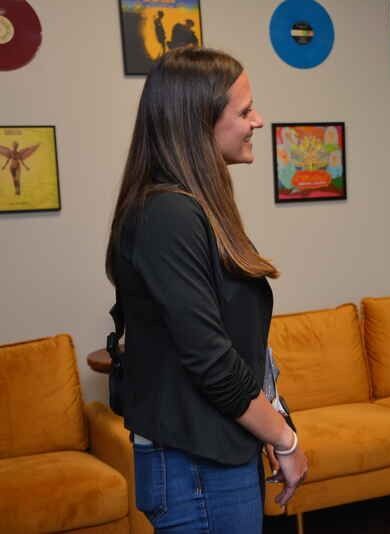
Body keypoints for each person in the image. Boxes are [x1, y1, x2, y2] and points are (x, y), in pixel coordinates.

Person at [105, 47, 307, 532]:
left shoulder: (194, 208)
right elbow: (211, 360)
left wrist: (276, 422)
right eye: (244, 111)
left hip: (214, 454)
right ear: (199, 124)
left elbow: (239, 346)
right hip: (195, 466)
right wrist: (285, 440)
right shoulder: (167, 216)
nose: (257, 121)